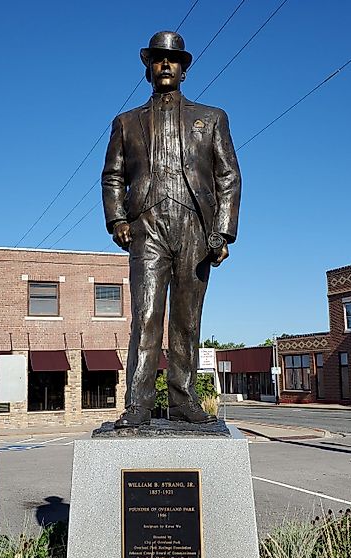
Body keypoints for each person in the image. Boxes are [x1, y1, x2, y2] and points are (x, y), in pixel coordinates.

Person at [102, 31, 241, 428]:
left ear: (183, 69)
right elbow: (113, 176)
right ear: (148, 69)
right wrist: (117, 219)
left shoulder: (212, 118)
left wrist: (223, 232)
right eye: (158, 59)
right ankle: (139, 404)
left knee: (187, 319)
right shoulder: (126, 122)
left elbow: (228, 176)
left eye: (173, 59)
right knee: (145, 315)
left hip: (195, 226)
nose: (166, 65)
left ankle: (182, 399)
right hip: (146, 226)